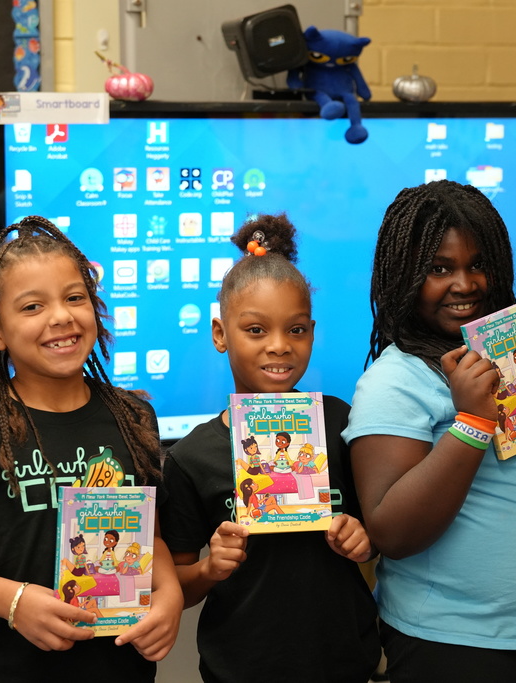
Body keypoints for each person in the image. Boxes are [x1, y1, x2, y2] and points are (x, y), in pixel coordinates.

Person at [343, 179, 516, 682]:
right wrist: (471, 423)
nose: (465, 284)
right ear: (404, 275)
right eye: (439, 269)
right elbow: (391, 531)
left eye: (478, 264)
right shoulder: (397, 378)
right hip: (452, 642)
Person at [0, 216, 182, 682]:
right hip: (3, 669)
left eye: (75, 298)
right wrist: (13, 603)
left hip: (116, 667)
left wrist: (169, 594)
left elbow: (149, 536)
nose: (61, 316)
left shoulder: (133, 418)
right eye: (32, 306)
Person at [159, 213, 380, 683]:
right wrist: (209, 568)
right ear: (221, 334)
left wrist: (364, 541)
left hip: (343, 662)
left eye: (296, 330)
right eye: (256, 330)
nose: (279, 346)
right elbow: (174, 583)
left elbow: (381, 527)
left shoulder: (341, 423)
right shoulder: (190, 458)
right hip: (239, 667)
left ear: (313, 332)